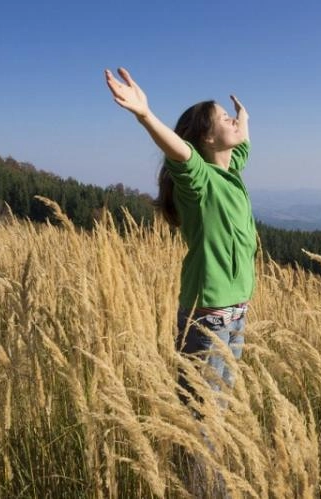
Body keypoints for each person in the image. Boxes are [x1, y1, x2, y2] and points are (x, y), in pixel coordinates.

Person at [105, 67, 257, 410]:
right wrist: (145, 115)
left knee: (220, 410)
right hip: (208, 317)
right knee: (202, 415)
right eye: (225, 118)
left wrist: (243, 117)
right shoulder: (199, 182)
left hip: (237, 313)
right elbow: (181, 153)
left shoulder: (231, 170)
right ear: (207, 138)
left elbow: (243, 145)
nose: (233, 121)